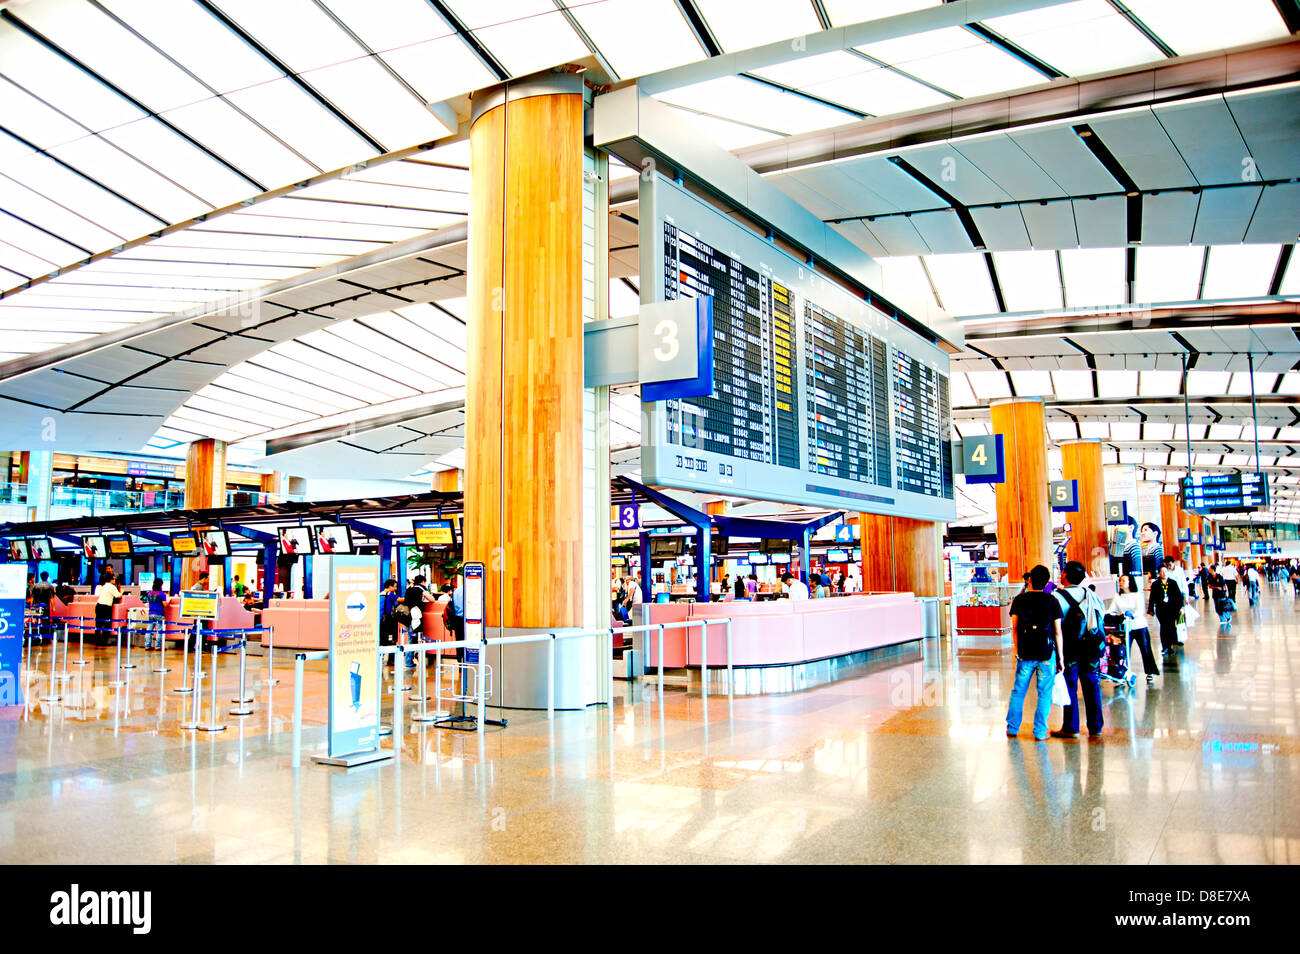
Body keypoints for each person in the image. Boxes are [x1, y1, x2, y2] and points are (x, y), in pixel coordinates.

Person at [1005, 564, 1064, 742]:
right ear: (1047, 582)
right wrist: (1060, 657)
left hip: (1025, 653)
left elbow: (1014, 629)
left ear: (1029, 580)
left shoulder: (1019, 600)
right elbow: (1057, 632)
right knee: (1044, 692)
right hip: (1047, 654)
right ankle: (1039, 731)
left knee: (1018, 691)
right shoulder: (1052, 601)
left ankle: (1012, 728)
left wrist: (1018, 650)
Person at [1053, 561, 1106, 740]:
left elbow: (1055, 627)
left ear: (1065, 575)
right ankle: (1096, 726)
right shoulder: (1091, 595)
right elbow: (1101, 617)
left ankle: (1071, 727)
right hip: (1091, 647)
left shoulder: (1057, 597)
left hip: (1070, 648)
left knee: (1070, 686)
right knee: (1092, 685)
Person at [1108, 573, 1158, 683]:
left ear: (1130, 583)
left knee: (1145, 649)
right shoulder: (1118, 596)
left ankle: (1149, 671)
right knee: (1123, 651)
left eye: (1123, 581)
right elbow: (1111, 609)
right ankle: (1121, 671)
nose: (1121, 583)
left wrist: (1132, 615)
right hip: (1125, 628)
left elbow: (1139, 610)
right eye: (1120, 580)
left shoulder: (1137, 595)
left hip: (1139, 626)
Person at [1148, 563, 1186, 651]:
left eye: (1165, 571)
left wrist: (1181, 607)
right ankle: (1166, 646)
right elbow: (1152, 597)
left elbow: (1178, 596)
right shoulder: (1156, 584)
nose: (1164, 573)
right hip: (1161, 609)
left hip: (1172, 609)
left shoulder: (1173, 583)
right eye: (1162, 572)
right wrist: (1150, 609)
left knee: (1171, 626)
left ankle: (1172, 641)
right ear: (1159, 573)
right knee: (1164, 627)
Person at [401, 575, 427, 668]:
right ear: (423, 581)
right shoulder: (421, 589)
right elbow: (431, 599)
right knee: (412, 639)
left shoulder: (409, 589)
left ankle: (410, 659)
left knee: (411, 637)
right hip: (414, 616)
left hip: (407, 616)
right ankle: (408, 661)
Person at [94, 568, 122, 646]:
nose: (114, 580)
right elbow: (118, 595)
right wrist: (121, 592)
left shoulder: (104, 586)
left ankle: (97, 641)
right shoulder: (112, 587)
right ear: (110, 579)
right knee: (106, 624)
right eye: (113, 579)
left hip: (99, 606)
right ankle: (103, 641)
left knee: (98, 624)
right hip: (106, 607)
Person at [142, 577, 167, 651]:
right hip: (159, 613)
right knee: (159, 630)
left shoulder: (150, 593)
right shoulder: (161, 594)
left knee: (149, 630)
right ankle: (158, 646)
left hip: (150, 613)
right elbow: (165, 604)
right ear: (161, 585)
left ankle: (147, 645)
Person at [379, 579, 400, 649]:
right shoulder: (390, 594)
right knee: (389, 634)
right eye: (395, 587)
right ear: (390, 587)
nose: (395, 588)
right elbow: (400, 599)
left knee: (382, 635)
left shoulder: (380, 594)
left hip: (380, 618)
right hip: (386, 617)